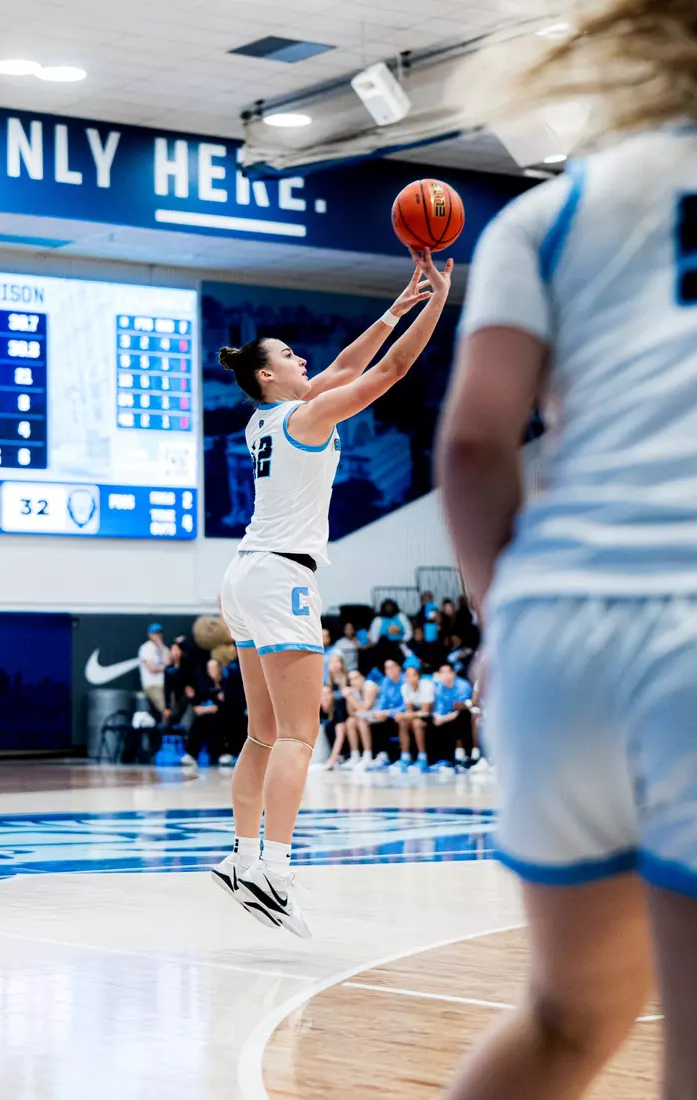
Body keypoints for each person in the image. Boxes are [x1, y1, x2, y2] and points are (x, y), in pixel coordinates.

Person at [438, 4, 697, 1098]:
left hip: (556, 635)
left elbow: (474, 444)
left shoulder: (553, 209)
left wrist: (500, 620)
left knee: (566, 1015)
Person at [211, 251, 453, 936]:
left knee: (262, 732)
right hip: (281, 577)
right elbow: (389, 371)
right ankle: (274, 870)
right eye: (290, 355)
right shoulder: (305, 418)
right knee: (298, 733)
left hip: (244, 574)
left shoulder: (264, 420)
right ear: (267, 375)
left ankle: (242, 856)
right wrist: (439, 300)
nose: (304, 360)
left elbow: (347, 365)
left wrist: (395, 308)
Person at [432, 663, 476, 770]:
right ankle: (442, 759)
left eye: (448, 672)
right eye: (442, 673)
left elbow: (461, 708)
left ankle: (463, 757)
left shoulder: (463, 686)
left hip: (465, 715)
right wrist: (438, 717)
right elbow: (439, 708)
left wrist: (443, 718)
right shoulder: (439, 688)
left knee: (460, 719)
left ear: (453, 673)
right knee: (432, 722)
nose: (445, 676)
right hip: (447, 715)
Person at [393, 664, 434, 771]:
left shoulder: (427, 685)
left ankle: (423, 758)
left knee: (416, 723)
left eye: (413, 675)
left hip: (432, 715)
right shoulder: (404, 687)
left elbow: (425, 711)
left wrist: (404, 715)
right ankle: (405, 757)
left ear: (418, 676)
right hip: (416, 714)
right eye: (408, 675)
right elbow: (409, 709)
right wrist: (404, 716)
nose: (411, 678)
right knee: (403, 722)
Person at [344, 668, 377, 769]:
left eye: (356, 678)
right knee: (350, 722)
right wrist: (349, 697)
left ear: (362, 678)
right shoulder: (353, 690)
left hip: (380, 714)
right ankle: (355, 756)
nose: (353, 682)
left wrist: (350, 697)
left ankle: (367, 756)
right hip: (367, 716)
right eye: (351, 680)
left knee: (362, 721)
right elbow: (351, 713)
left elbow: (364, 708)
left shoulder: (370, 686)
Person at [138, 623, 169, 718]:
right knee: (165, 710)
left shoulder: (164, 648)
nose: (158, 636)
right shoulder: (145, 648)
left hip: (166, 685)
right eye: (155, 633)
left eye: (160, 633)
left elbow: (169, 662)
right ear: (150, 635)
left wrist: (161, 647)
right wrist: (165, 668)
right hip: (153, 685)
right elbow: (153, 668)